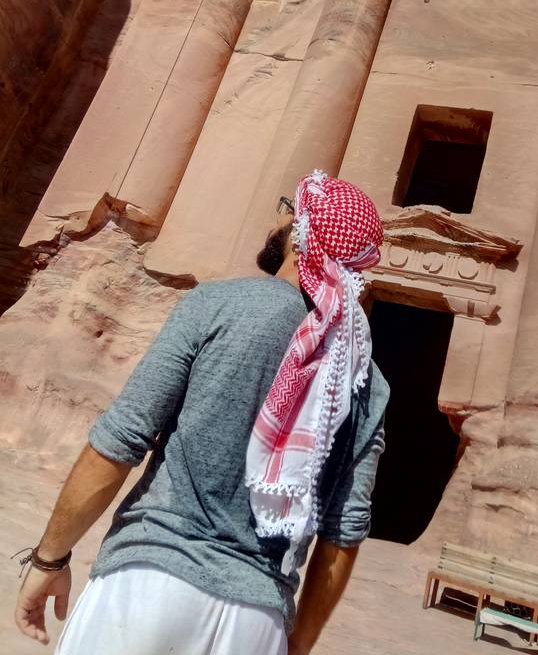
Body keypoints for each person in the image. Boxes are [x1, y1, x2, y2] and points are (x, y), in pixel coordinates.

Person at [15, 171, 389, 655]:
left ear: (301, 232)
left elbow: (121, 440)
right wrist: (293, 646)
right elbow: (343, 532)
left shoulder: (217, 304)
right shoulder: (366, 379)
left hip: (149, 580)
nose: (274, 219)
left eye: (285, 208)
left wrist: (49, 560)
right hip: (256, 619)